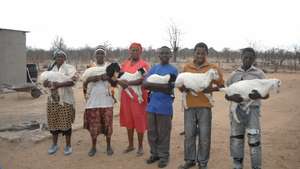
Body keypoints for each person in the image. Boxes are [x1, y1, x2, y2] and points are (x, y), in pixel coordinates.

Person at [178, 42, 224, 169]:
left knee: (204, 135)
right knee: (189, 134)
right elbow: (181, 83)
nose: (200, 55)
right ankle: (190, 160)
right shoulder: (187, 67)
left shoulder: (212, 68)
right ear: (194, 53)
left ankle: (203, 162)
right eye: (198, 53)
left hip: (205, 106)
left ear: (206, 54)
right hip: (190, 106)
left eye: (203, 53)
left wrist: (210, 90)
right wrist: (183, 89)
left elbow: (221, 84)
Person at [225, 47, 268, 169]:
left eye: (250, 58)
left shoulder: (259, 74)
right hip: (237, 112)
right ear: (241, 57)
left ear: (254, 59)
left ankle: (256, 166)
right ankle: (237, 165)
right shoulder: (234, 75)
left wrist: (259, 95)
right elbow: (227, 94)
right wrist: (233, 98)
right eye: (245, 57)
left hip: (253, 111)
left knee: (254, 141)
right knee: (236, 139)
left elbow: (267, 94)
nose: (247, 59)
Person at [143, 46, 178, 168]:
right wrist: (160, 86)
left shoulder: (173, 70)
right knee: (151, 132)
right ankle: (155, 154)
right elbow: (144, 84)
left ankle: (164, 156)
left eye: (166, 53)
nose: (164, 55)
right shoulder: (154, 68)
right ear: (158, 55)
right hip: (151, 106)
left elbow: (169, 88)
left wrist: (153, 86)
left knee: (163, 133)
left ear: (170, 55)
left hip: (165, 106)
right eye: (162, 53)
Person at [118, 42, 150, 156]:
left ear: (140, 51)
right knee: (128, 119)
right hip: (126, 96)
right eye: (132, 50)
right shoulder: (125, 64)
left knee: (139, 119)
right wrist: (121, 83)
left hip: (139, 97)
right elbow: (119, 77)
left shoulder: (143, 65)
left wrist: (129, 83)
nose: (134, 52)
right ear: (129, 51)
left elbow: (143, 80)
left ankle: (140, 146)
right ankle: (131, 145)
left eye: (136, 50)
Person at [44, 50, 77, 156]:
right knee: (53, 122)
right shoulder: (50, 69)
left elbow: (73, 81)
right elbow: (44, 81)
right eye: (58, 56)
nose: (60, 58)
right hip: (52, 99)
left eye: (62, 56)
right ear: (55, 58)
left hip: (66, 100)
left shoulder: (69, 68)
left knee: (66, 122)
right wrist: (47, 83)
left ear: (65, 58)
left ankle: (68, 145)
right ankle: (54, 144)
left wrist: (59, 84)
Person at [83, 47, 114, 157]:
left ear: (104, 55)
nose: (100, 55)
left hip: (107, 101)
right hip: (93, 102)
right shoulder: (90, 68)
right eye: (98, 53)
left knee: (108, 126)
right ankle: (93, 147)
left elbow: (115, 83)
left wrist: (108, 78)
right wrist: (91, 79)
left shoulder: (109, 67)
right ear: (95, 56)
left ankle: (109, 146)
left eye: (102, 53)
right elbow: (84, 84)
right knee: (93, 126)